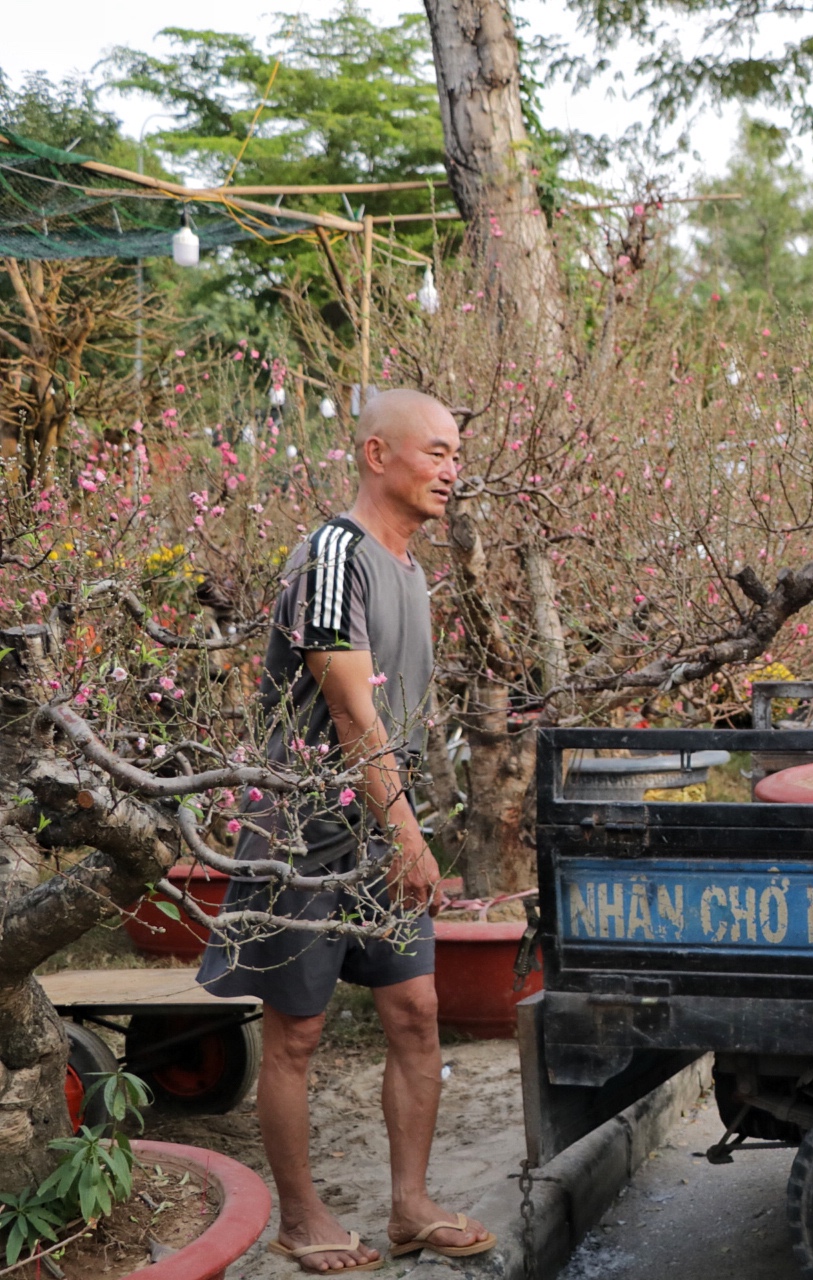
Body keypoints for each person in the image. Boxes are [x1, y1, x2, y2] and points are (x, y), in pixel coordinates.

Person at [199, 390, 492, 1272]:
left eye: (455, 454)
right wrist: (410, 833)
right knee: (296, 1030)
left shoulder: (409, 571)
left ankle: (410, 1207)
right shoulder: (335, 554)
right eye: (435, 452)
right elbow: (351, 709)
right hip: (305, 826)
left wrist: (404, 825)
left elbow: (398, 725)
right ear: (375, 454)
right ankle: (302, 1217)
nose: (452, 469)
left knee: (416, 1011)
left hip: (381, 822)